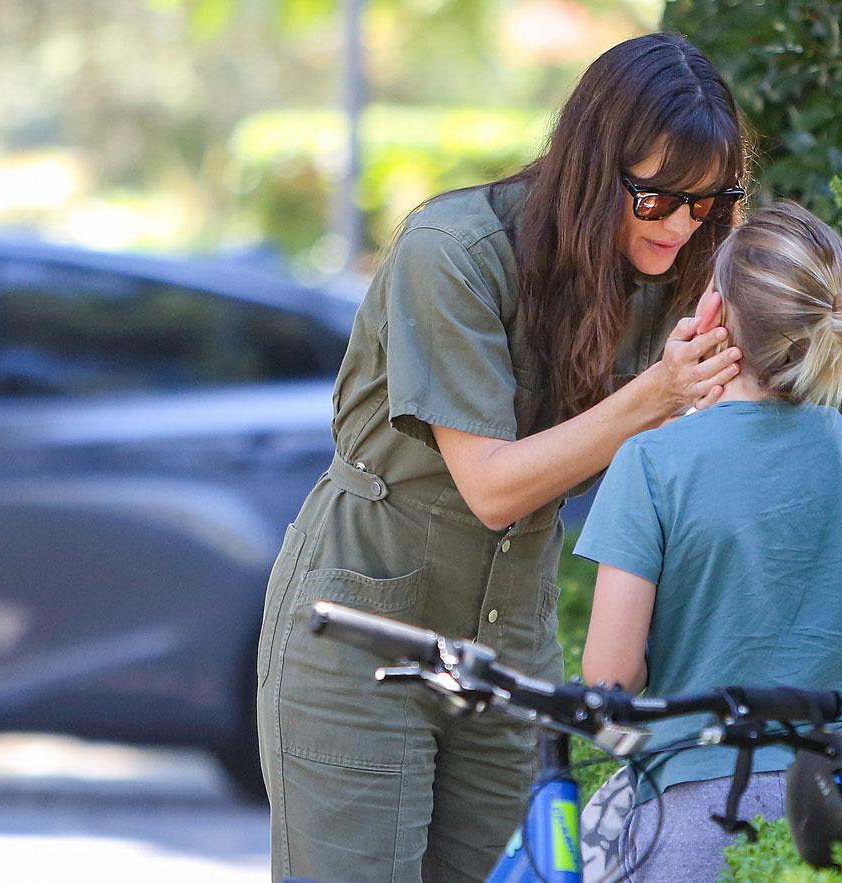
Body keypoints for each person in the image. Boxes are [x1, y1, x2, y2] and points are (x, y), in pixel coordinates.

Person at [255, 33, 750, 883]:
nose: (681, 223)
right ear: (596, 168)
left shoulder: (665, 270)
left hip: (510, 655)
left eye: (708, 203)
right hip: (363, 639)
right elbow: (491, 486)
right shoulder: (450, 253)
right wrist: (658, 395)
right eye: (658, 198)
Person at [575, 201, 842, 881]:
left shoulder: (654, 461)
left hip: (693, 810)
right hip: (840, 809)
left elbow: (610, 679)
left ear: (719, 316)